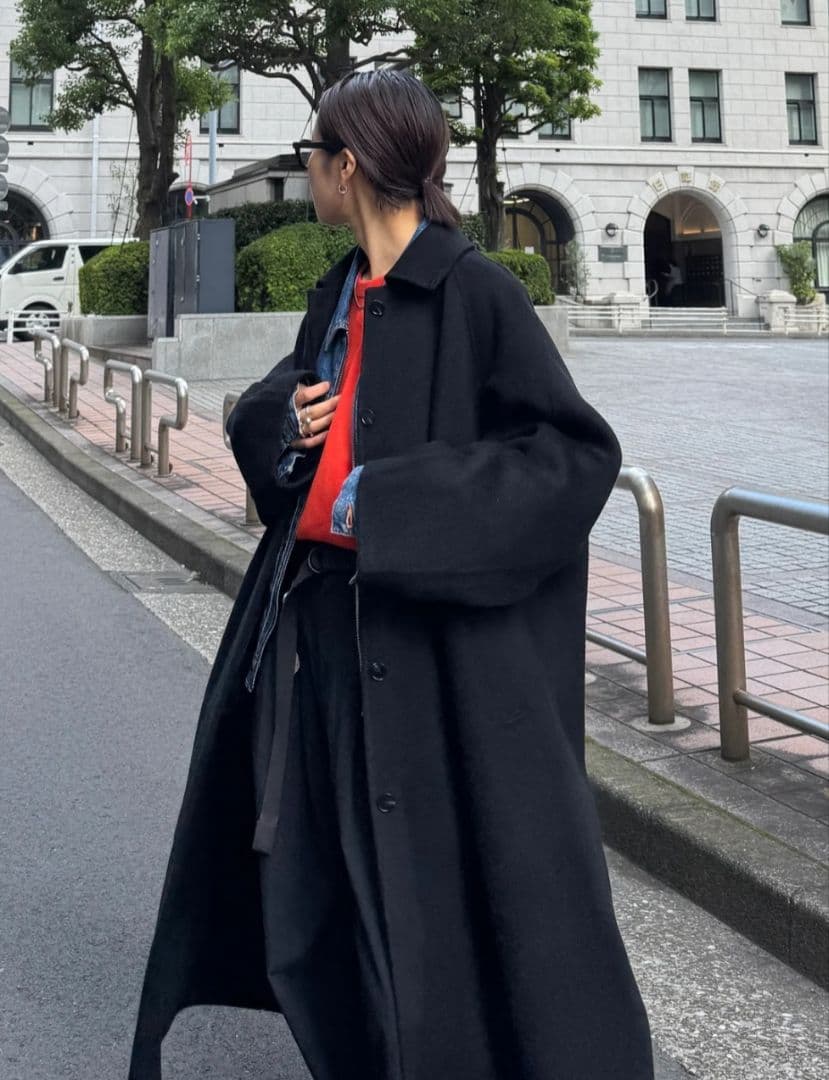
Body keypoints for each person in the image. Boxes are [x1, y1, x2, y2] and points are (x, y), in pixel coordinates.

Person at [128, 70, 654, 1080]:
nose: (307, 173)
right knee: (327, 872)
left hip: (441, 663)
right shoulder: (338, 290)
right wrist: (287, 425)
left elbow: (569, 457)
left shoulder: (476, 291)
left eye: (311, 155)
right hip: (329, 642)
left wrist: (383, 501)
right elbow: (279, 403)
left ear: (349, 165)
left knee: (446, 886)